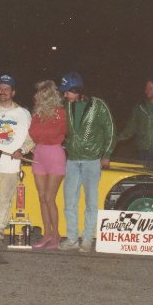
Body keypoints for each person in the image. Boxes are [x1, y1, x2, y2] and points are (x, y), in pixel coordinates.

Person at [58, 71, 116, 253]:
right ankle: (72, 238)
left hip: (92, 161)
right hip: (72, 160)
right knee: (69, 201)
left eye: (68, 92)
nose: (65, 95)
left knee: (91, 201)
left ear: (77, 90)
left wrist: (107, 154)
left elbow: (111, 130)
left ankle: (87, 238)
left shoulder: (99, 105)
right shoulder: (66, 105)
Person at [0, 74, 34, 251]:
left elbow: (32, 138)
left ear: (13, 92)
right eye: (0, 88)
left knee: (5, 200)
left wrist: (22, 151)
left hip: (11, 164)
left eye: (6, 89)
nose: (2, 92)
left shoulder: (23, 113)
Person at [28, 80, 67, 250]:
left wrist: (43, 134)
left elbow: (57, 133)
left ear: (46, 96)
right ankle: (46, 234)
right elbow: (34, 135)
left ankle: (56, 234)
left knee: (50, 198)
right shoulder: (36, 114)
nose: (35, 96)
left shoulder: (60, 113)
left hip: (55, 154)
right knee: (42, 197)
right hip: (39, 154)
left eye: (38, 93)